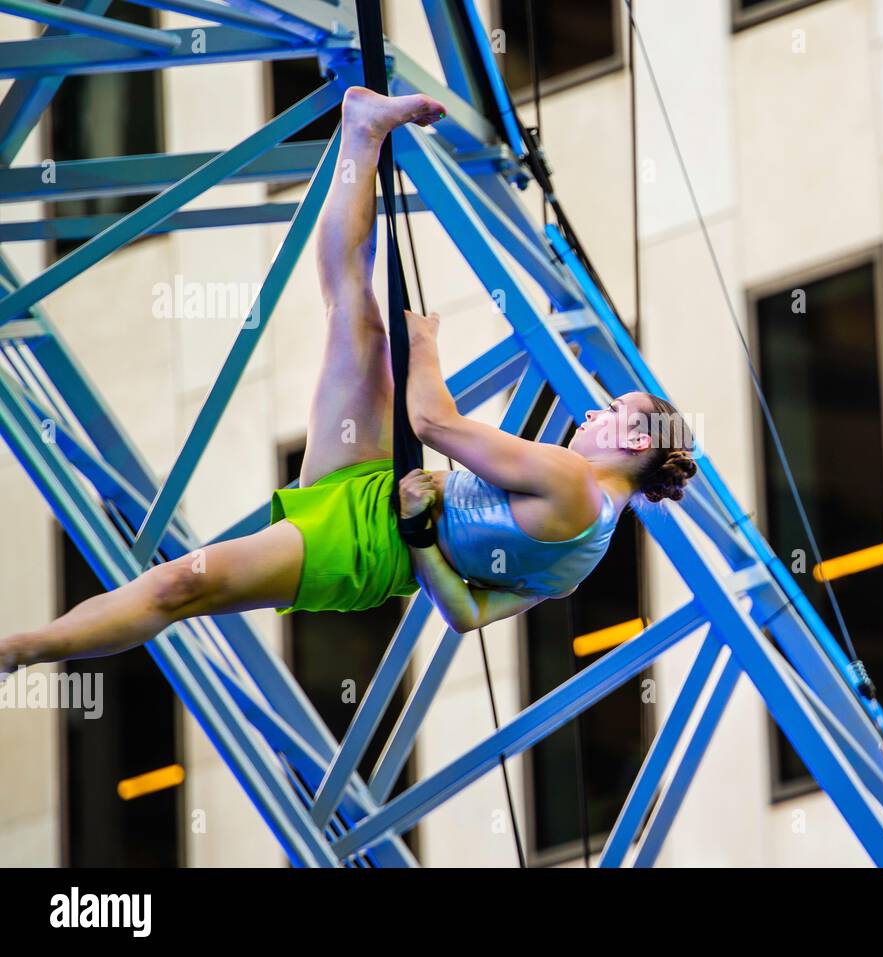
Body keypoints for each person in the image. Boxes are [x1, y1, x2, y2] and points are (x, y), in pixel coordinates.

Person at [0, 87, 696, 677]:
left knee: (181, 584)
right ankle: (359, 130)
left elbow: (435, 427)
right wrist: (423, 532)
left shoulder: (576, 483)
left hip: (372, 545)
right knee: (353, 315)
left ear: (635, 437)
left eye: (612, 409)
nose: (594, 413)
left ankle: (22, 648)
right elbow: (465, 613)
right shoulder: (585, 556)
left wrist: (423, 350)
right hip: (382, 501)